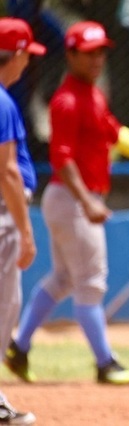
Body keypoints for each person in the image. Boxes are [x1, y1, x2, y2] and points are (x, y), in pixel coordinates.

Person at [3, 20, 129, 386]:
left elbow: (115, 133)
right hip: (73, 199)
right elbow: (62, 158)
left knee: (62, 279)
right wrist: (88, 201)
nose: (97, 60)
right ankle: (105, 363)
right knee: (91, 282)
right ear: (70, 54)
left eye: (102, 52)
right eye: (89, 53)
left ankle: (20, 347)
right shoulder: (68, 100)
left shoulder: (92, 95)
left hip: (69, 200)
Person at [0, 16, 45, 425]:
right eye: (25, 55)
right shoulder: (2, 101)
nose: (27, 63)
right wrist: (26, 232)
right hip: (2, 215)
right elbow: (8, 171)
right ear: (14, 55)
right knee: (4, 304)